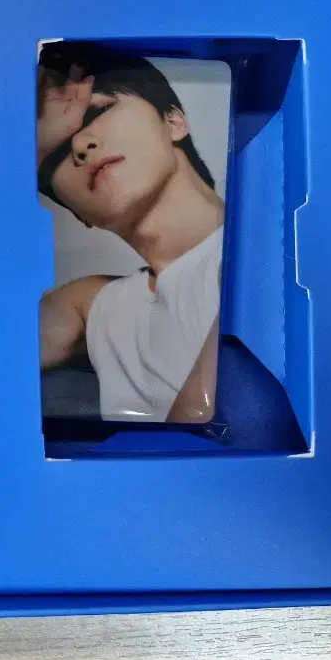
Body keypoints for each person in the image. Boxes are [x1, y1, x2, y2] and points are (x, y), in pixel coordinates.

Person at [37, 54, 224, 424]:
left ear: (173, 121)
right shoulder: (96, 303)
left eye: (96, 113)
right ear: (78, 214)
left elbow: (207, 423)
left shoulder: (262, 255)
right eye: (57, 153)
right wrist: (27, 154)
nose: (80, 145)